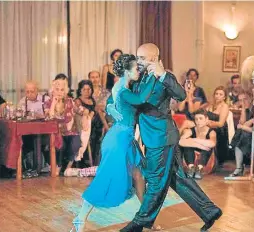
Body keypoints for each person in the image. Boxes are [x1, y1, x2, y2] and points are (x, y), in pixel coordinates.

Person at [116, 43, 221, 232]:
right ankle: (210, 211)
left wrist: (163, 74)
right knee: (177, 178)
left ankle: (139, 223)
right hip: (154, 136)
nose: (137, 61)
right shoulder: (140, 77)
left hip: (162, 137)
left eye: (141, 58)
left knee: (156, 181)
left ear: (153, 59)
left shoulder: (165, 76)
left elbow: (180, 95)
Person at [71, 54, 157, 232]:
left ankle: (146, 219)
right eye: (135, 68)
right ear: (126, 71)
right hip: (118, 140)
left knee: (139, 176)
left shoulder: (122, 86)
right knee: (105, 180)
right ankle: (79, 219)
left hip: (125, 138)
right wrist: (154, 77)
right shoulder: (124, 90)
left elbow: (109, 103)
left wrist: (111, 107)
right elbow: (140, 100)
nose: (138, 71)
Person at [179, 109, 216, 179]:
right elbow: (180, 141)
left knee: (207, 146)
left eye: (201, 118)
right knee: (187, 145)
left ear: (206, 119)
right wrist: (196, 144)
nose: (198, 121)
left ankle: (200, 168)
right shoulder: (191, 130)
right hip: (192, 155)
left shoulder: (211, 132)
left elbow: (212, 143)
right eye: (196, 119)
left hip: (208, 159)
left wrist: (193, 140)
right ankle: (191, 167)